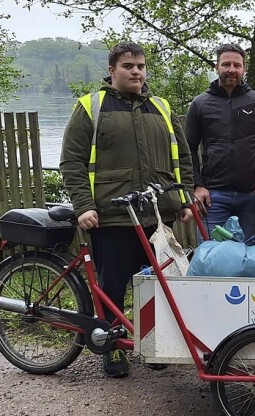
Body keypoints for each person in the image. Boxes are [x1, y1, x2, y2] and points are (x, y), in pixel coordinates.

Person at [60, 41, 194, 378]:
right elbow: (72, 161)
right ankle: (112, 348)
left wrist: (184, 199)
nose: (136, 72)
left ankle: (154, 345)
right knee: (114, 283)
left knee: (160, 284)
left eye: (140, 66)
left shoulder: (161, 108)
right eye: (128, 66)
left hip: (157, 216)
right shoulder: (90, 107)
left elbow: (184, 158)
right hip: (113, 214)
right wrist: (84, 206)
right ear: (112, 70)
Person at [186, 43, 255, 240]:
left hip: (252, 195)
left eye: (237, 65)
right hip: (213, 197)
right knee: (210, 260)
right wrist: (197, 185)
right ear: (216, 67)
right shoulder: (200, 104)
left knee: (253, 259)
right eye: (226, 64)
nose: (231, 70)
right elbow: (189, 149)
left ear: (243, 68)